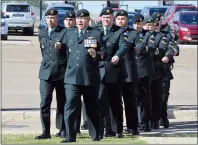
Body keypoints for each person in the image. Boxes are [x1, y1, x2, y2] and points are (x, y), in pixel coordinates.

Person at [60, 9, 105, 143]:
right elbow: (63, 53)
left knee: (92, 106)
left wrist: (95, 54)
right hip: (72, 76)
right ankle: (70, 135)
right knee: (71, 104)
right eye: (78, 18)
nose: (80, 21)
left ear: (88, 20)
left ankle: (96, 134)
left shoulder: (96, 33)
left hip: (89, 76)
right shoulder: (69, 34)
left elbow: (104, 53)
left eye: (83, 18)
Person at [35, 8, 66, 139]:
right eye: (48, 18)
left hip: (61, 72)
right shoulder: (42, 32)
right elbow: (44, 52)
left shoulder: (64, 32)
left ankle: (62, 129)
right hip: (46, 72)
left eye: (53, 18)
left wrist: (62, 46)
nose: (50, 20)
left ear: (57, 19)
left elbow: (68, 49)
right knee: (44, 102)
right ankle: (45, 132)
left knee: (62, 102)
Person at [97, 7, 128, 138]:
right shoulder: (95, 31)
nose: (106, 20)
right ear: (101, 19)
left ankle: (118, 129)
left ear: (112, 19)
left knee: (115, 102)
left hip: (114, 71)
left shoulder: (120, 32)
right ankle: (104, 129)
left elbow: (123, 47)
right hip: (98, 72)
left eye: (109, 18)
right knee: (100, 101)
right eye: (104, 18)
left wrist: (117, 55)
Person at [114, 9, 139, 135]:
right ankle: (116, 128)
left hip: (128, 72)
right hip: (114, 71)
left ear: (127, 20)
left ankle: (132, 127)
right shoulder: (111, 32)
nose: (120, 21)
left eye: (123, 19)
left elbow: (138, 46)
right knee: (114, 101)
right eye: (118, 18)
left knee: (130, 101)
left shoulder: (133, 33)